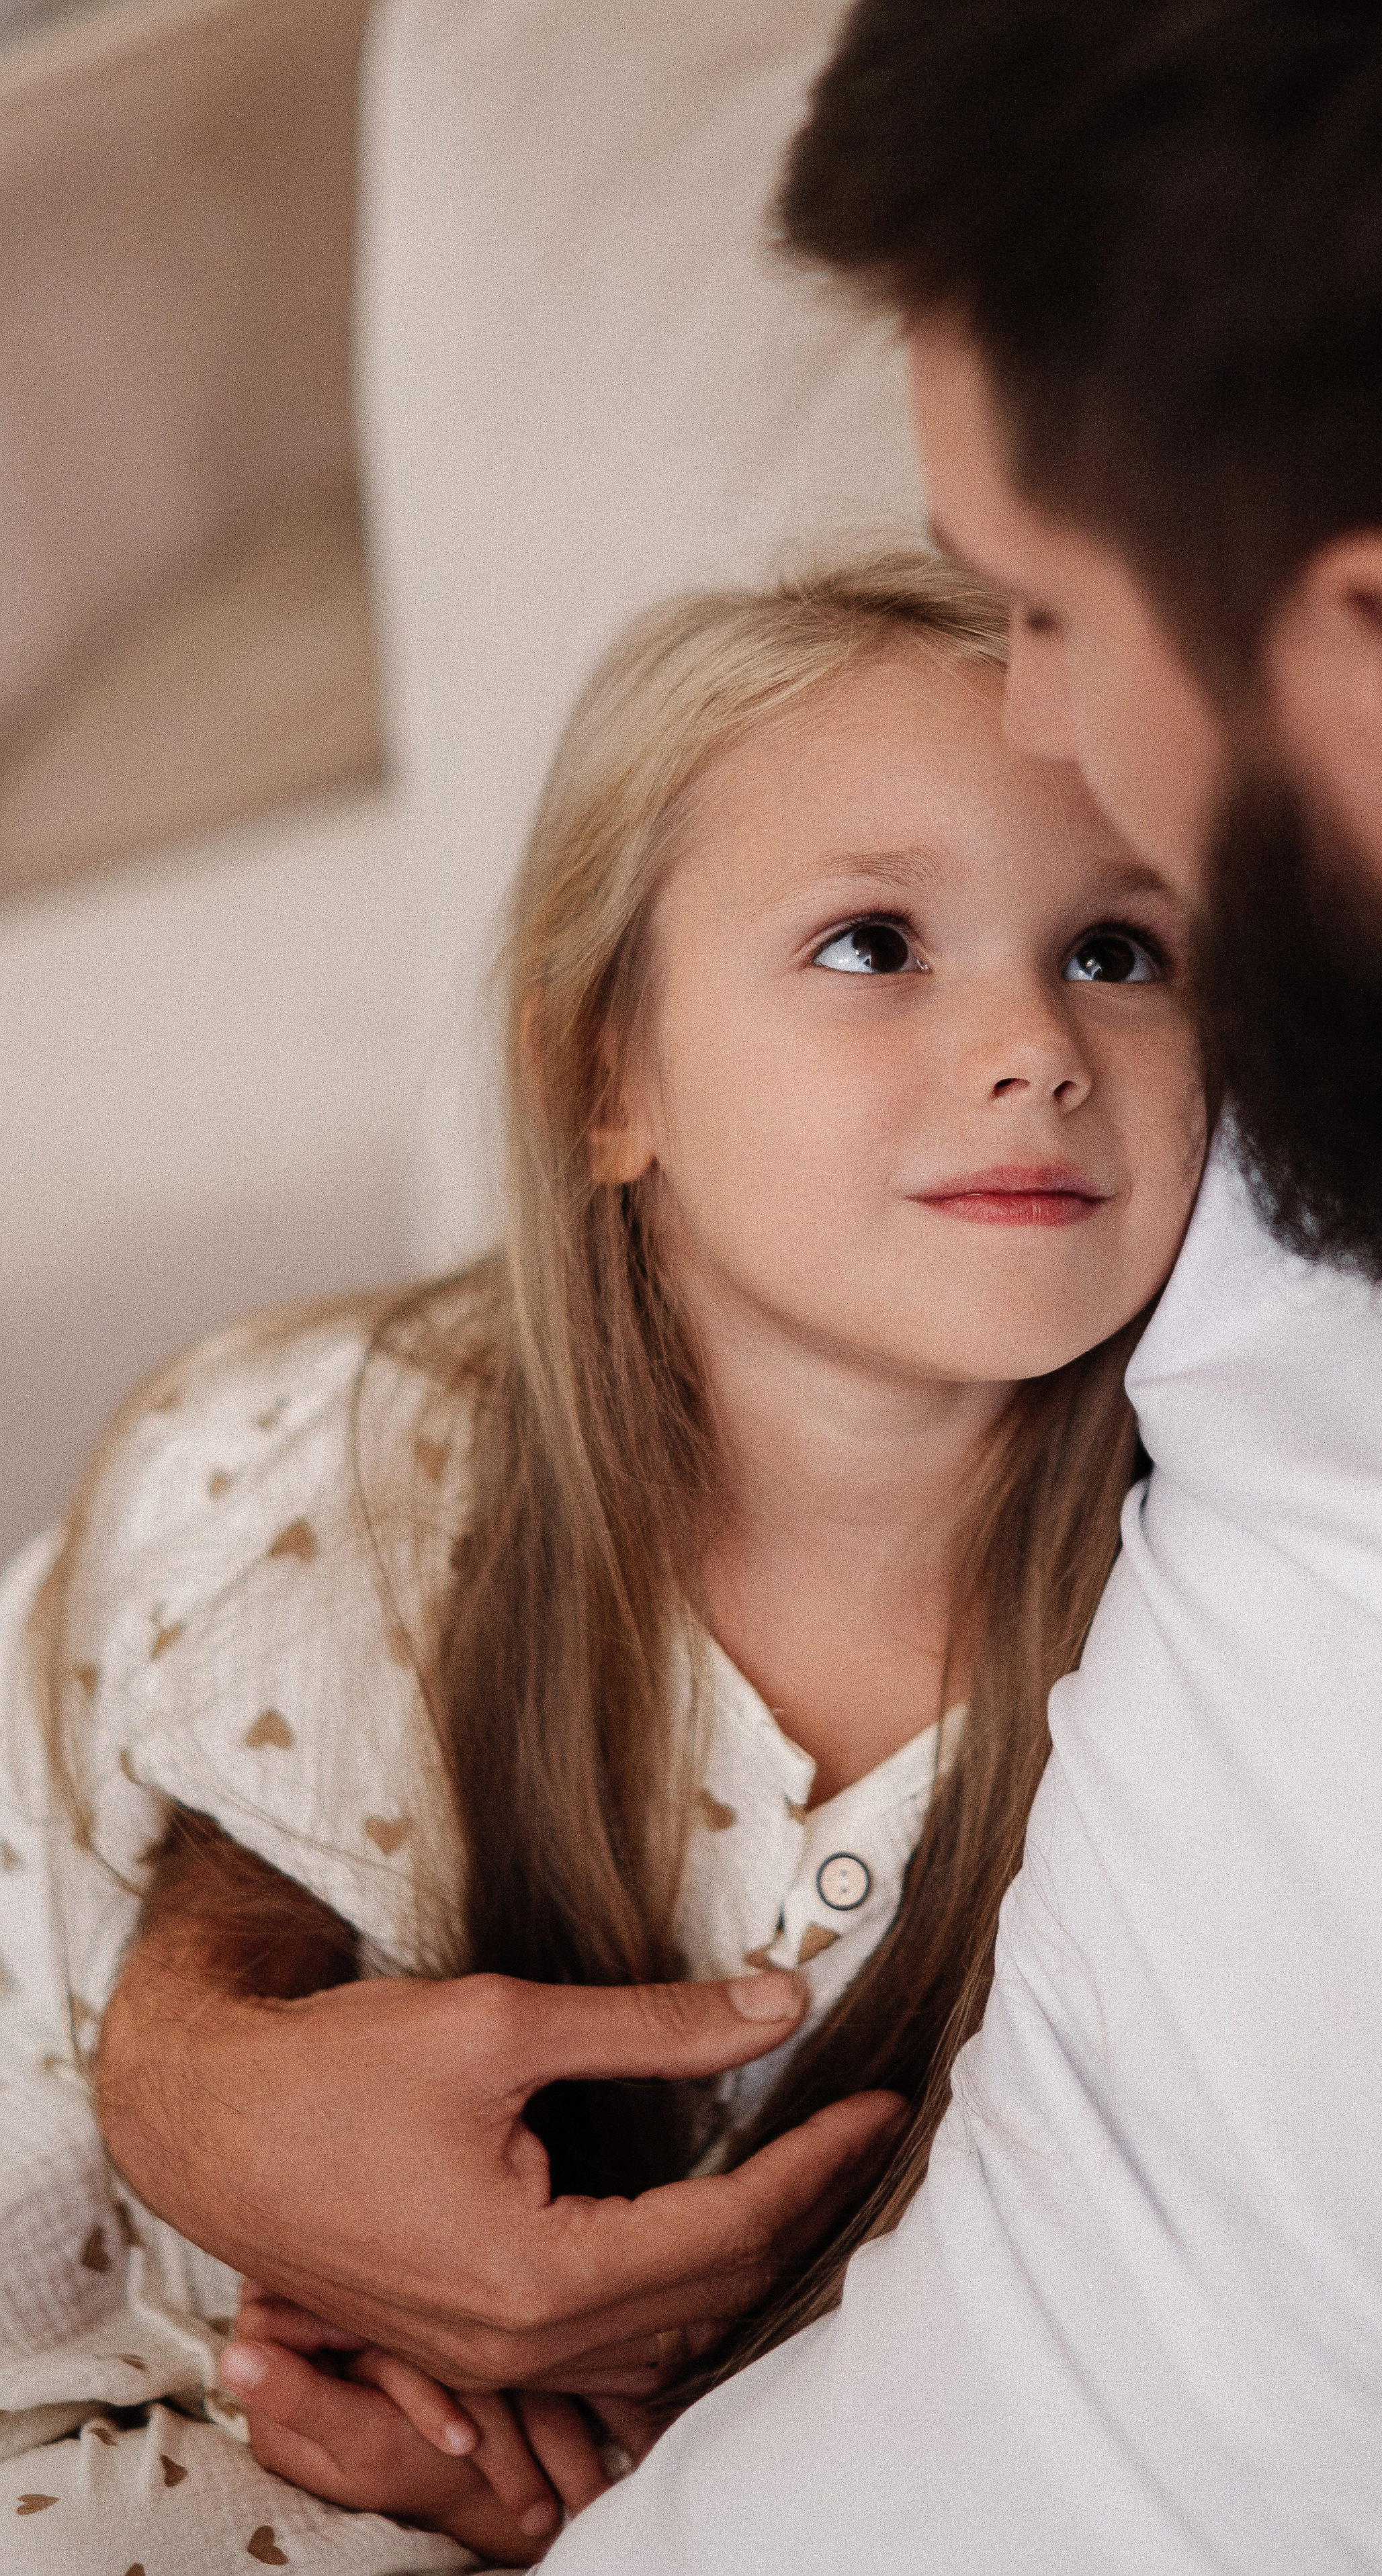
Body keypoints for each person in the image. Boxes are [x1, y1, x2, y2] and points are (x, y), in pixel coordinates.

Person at [65, 0, 1382, 2564]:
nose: (1032, 717)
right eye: (881, 943)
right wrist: (197, 2069)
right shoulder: (1334, 1128)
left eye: (1054, 609)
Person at [0, 549, 1207, 2564]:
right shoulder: (351, 1466)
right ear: (607, 1075)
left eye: (1116, 952)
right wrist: (370, 2386)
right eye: (875, 940)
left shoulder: (1203, 1640)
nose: (1034, 1043)